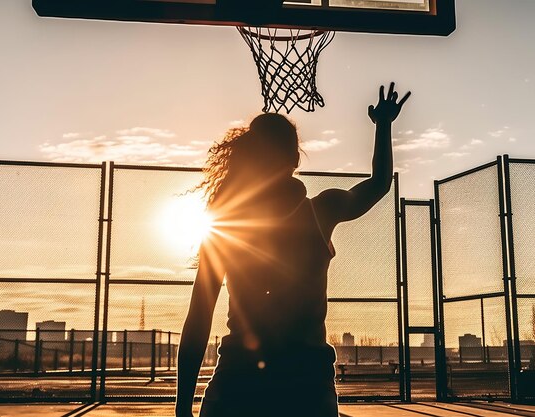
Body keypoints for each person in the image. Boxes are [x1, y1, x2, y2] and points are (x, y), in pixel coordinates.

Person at [175, 83, 411, 417]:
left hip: (241, 383)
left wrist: (182, 406)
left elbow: (198, 319)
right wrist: (383, 126)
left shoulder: (225, 227)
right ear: (295, 159)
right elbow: (378, 184)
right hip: (304, 383)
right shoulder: (321, 210)